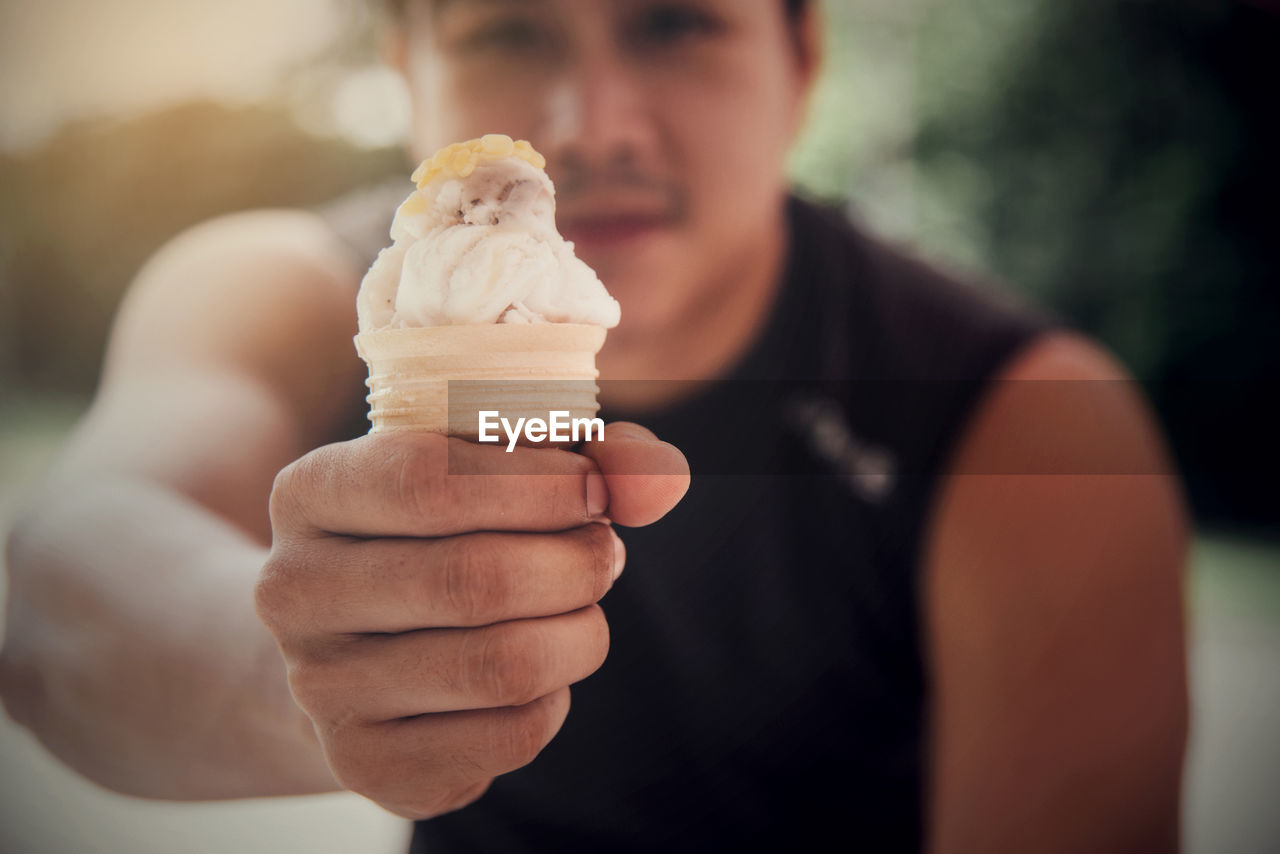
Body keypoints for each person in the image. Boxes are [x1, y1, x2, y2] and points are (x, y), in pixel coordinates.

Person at [1, 1, 1189, 851]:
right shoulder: (294, 290)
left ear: (802, 55)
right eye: (508, 29)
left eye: (673, 22)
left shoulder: (1022, 420)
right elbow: (54, 592)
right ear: (405, 65)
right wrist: (307, 678)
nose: (591, 121)